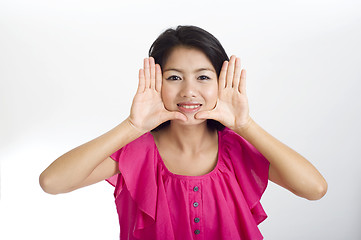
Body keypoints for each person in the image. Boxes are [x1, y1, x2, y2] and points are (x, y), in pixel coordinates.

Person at [39, 25, 328, 240]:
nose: (189, 91)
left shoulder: (236, 150)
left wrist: (245, 126)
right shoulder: (136, 152)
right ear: (156, 82)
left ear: (221, 83)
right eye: (174, 77)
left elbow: (315, 189)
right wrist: (132, 126)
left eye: (203, 77)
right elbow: (52, 182)